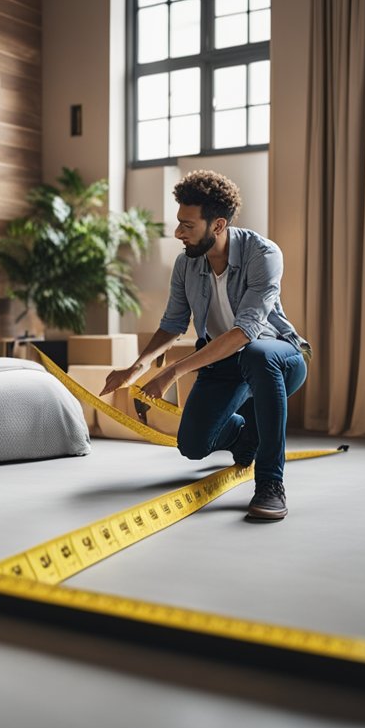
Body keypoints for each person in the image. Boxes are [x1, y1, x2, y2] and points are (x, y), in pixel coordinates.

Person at [100, 170, 309, 522]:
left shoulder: (264, 254)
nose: (178, 233)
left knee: (258, 355)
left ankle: (271, 483)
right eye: (179, 223)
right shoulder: (186, 264)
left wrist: (172, 371)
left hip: (279, 356)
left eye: (187, 225)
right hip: (225, 364)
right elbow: (172, 324)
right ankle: (248, 438)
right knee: (193, 445)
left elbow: (245, 332)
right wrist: (136, 367)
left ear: (217, 225)